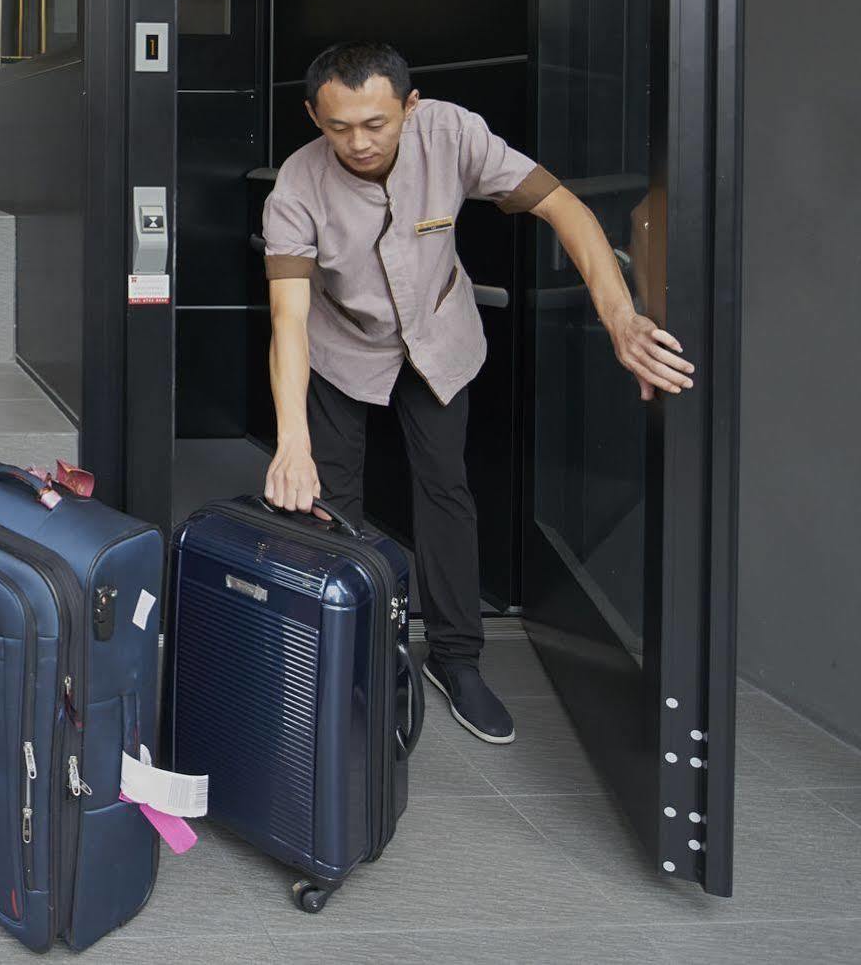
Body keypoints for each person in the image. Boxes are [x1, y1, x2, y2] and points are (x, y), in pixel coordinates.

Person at [260, 41, 695, 746]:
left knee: (445, 489)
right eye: (338, 127)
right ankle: (338, 661)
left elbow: (566, 211)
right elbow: (287, 319)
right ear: (313, 115)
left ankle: (457, 659)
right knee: (326, 504)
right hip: (339, 348)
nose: (358, 142)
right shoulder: (295, 189)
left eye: (375, 123)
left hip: (437, 338)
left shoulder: (453, 133)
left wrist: (620, 315)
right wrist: (290, 442)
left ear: (409, 106)